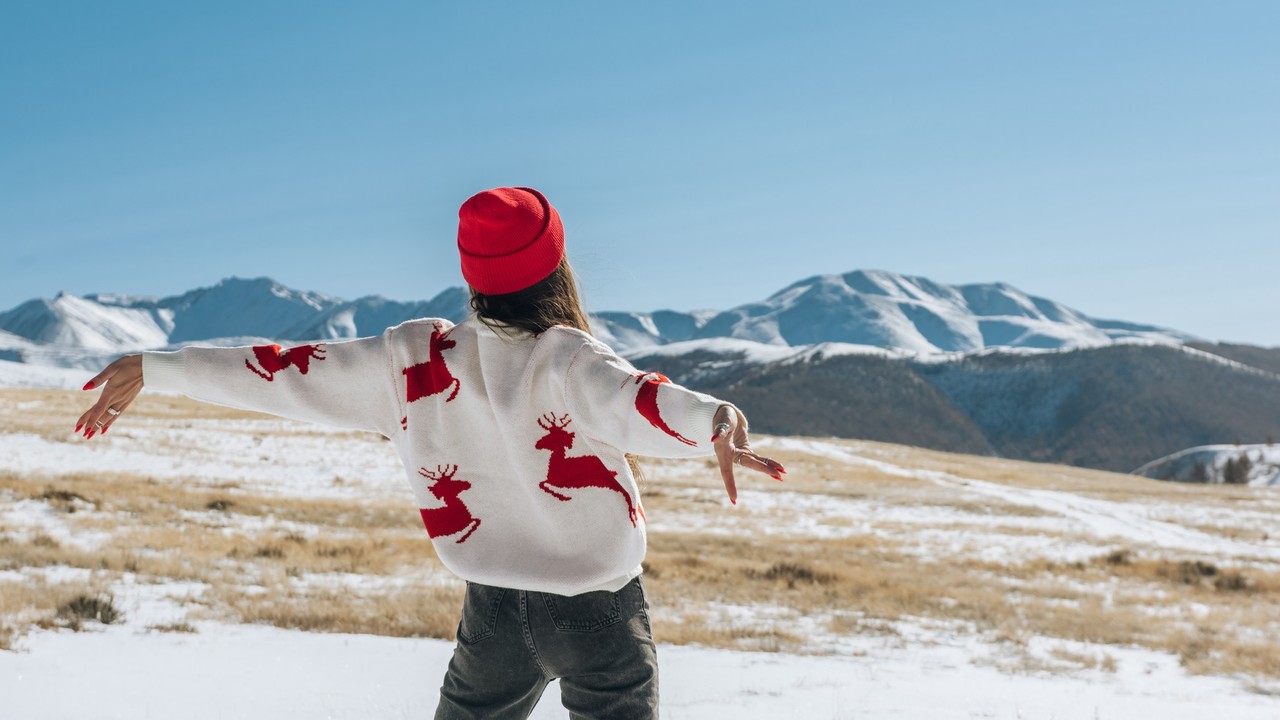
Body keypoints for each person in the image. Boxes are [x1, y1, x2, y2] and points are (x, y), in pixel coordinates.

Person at [76, 186, 785, 719]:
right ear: (557, 268)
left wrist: (161, 367)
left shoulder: (408, 359)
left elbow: (290, 370)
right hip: (602, 614)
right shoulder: (570, 361)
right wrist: (716, 420)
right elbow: (641, 399)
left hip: (494, 616)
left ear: (473, 274)